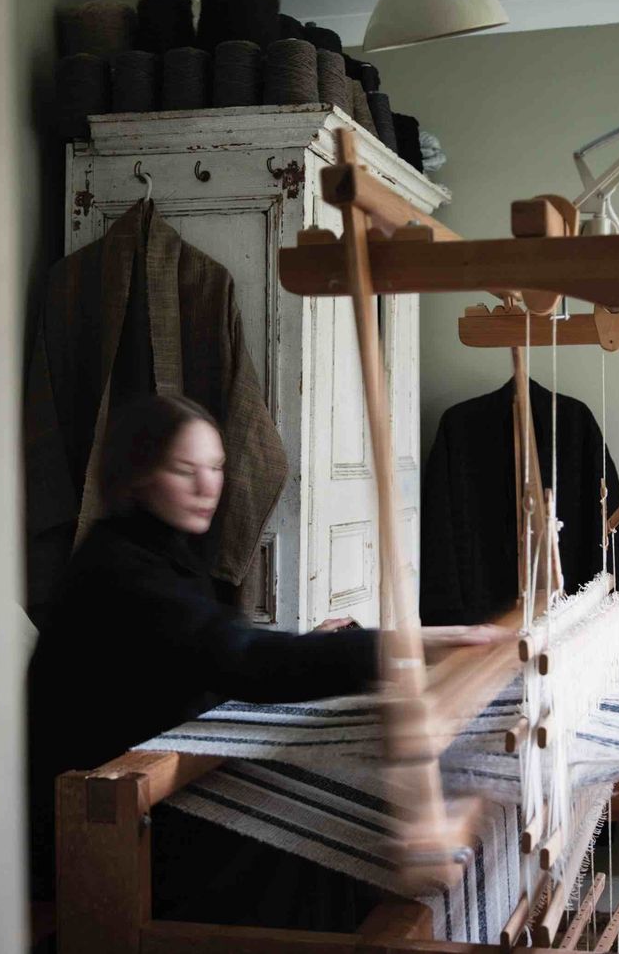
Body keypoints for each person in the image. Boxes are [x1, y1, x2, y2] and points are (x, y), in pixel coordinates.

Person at [27, 394, 505, 926]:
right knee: (327, 849)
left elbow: (205, 641)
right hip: (115, 826)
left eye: (215, 467)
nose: (208, 486)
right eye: (185, 470)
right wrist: (413, 643)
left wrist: (315, 641)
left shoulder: (153, 551)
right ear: (136, 476)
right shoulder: (120, 571)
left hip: (158, 791)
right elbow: (242, 659)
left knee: (341, 820)